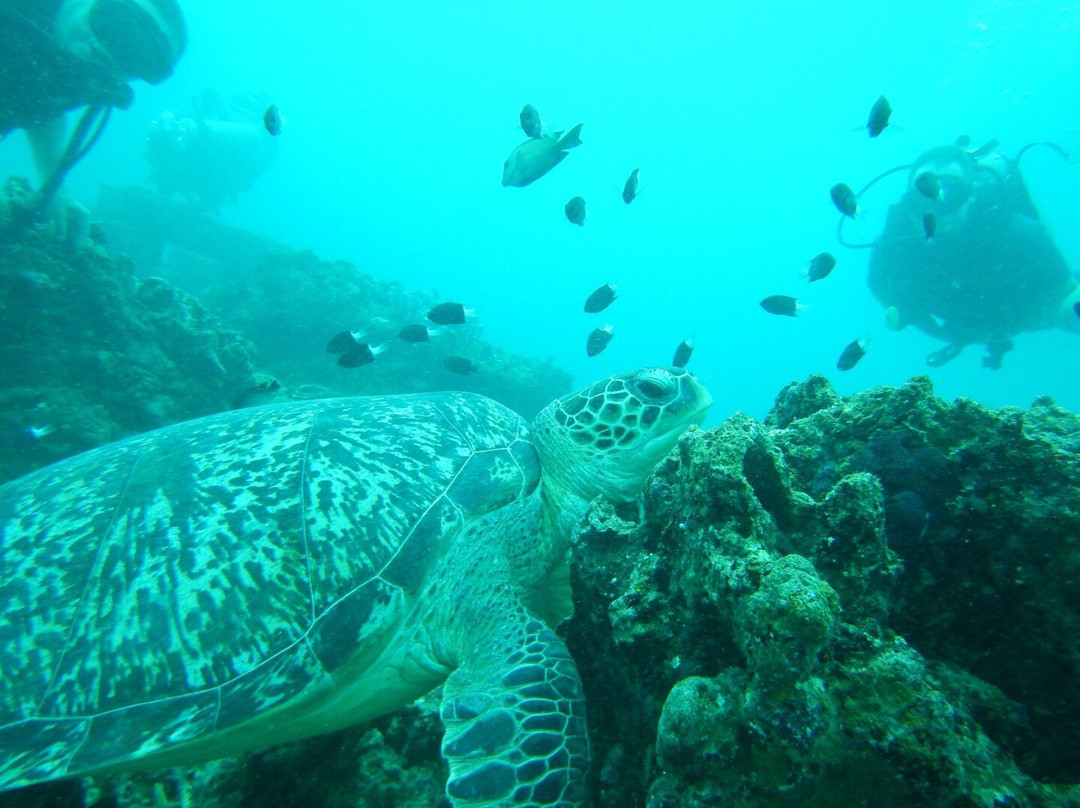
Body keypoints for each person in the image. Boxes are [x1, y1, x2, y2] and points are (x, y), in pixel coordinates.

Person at [857, 139, 1077, 369]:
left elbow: (1065, 294)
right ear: (908, 201)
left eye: (951, 194)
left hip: (1025, 311)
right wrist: (935, 329)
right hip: (963, 323)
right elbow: (880, 285)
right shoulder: (893, 244)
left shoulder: (1019, 232)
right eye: (922, 196)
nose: (935, 210)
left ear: (971, 196)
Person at [0, 0, 186, 240]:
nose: (108, 50)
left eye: (139, 56)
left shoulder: (78, 70)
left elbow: (42, 102)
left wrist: (53, 184)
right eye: (118, 24)